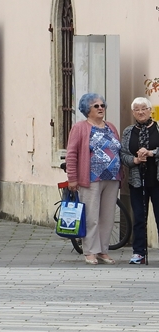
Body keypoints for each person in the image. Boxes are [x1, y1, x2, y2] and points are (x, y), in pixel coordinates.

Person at [66, 93, 122, 265]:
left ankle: (103, 251)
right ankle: (90, 250)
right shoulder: (80, 127)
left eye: (102, 105)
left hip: (112, 177)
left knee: (107, 216)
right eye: (96, 106)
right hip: (90, 179)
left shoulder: (111, 126)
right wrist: (72, 178)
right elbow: (71, 154)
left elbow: (118, 149)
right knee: (91, 216)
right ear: (87, 110)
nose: (100, 108)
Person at [120, 97, 159, 265]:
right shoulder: (128, 131)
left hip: (157, 180)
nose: (141, 112)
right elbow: (122, 154)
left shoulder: (157, 128)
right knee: (139, 217)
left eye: (144, 108)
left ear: (150, 110)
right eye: (137, 109)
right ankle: (138, 253)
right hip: (137, 181)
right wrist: (135, 160)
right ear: (133, 112)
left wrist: (151, 153)